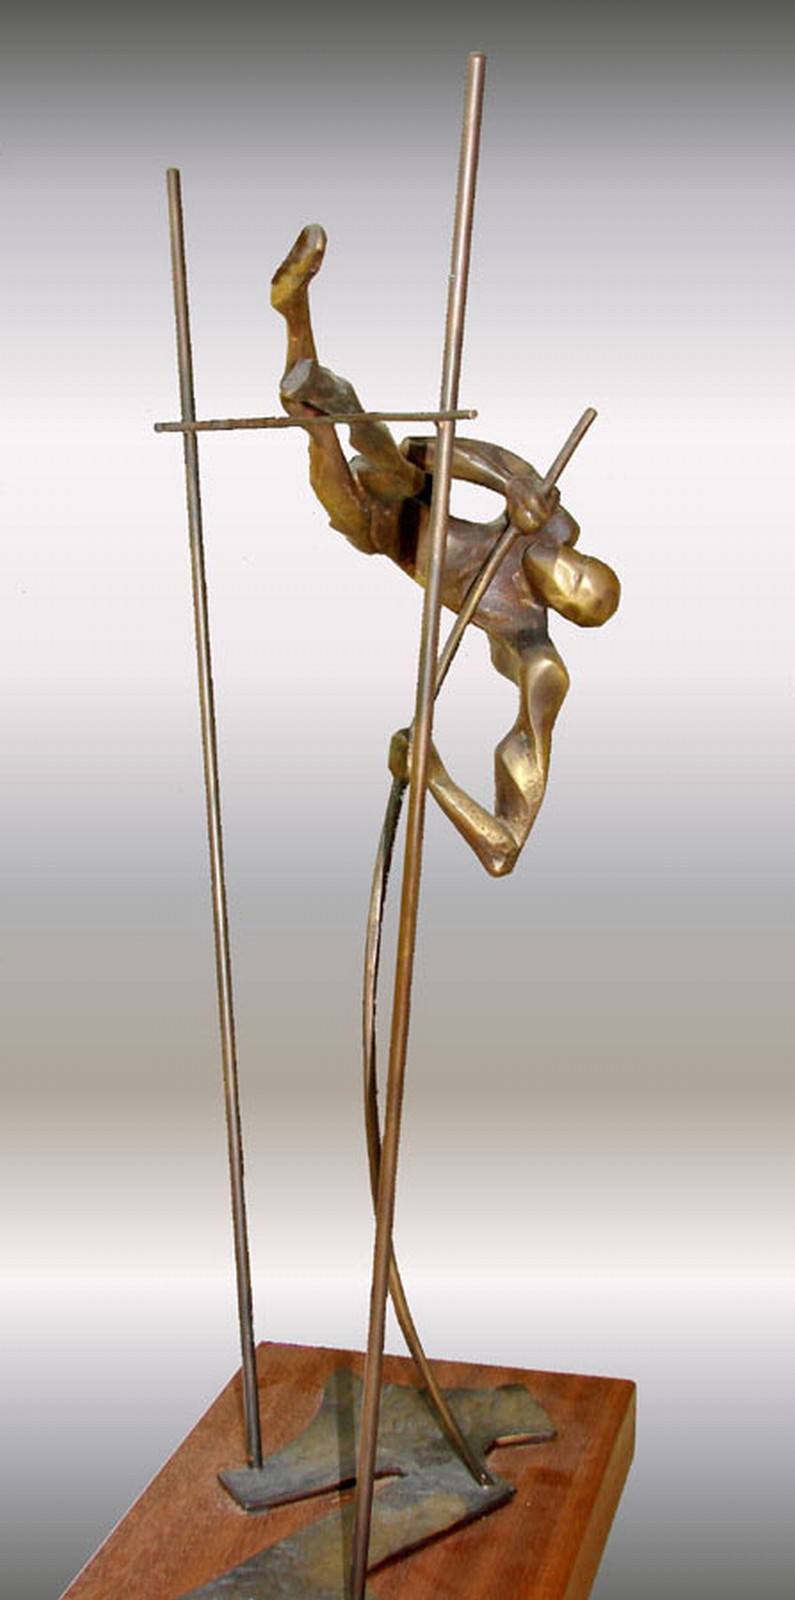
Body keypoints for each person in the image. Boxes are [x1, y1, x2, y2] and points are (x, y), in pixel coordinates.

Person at [272, 226, 620, 876]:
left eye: (573, 591)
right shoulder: (548, 524)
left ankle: (299, 333)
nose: (564, 569)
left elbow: (503, 846)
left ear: (566, 613)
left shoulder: (534, 654)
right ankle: (340, 401)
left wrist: (433, 776)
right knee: (394, 466)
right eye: (583, 566)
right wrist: (508, 484)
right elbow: (440, 452)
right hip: (406, 481)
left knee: (326, 455)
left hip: (388, 533)